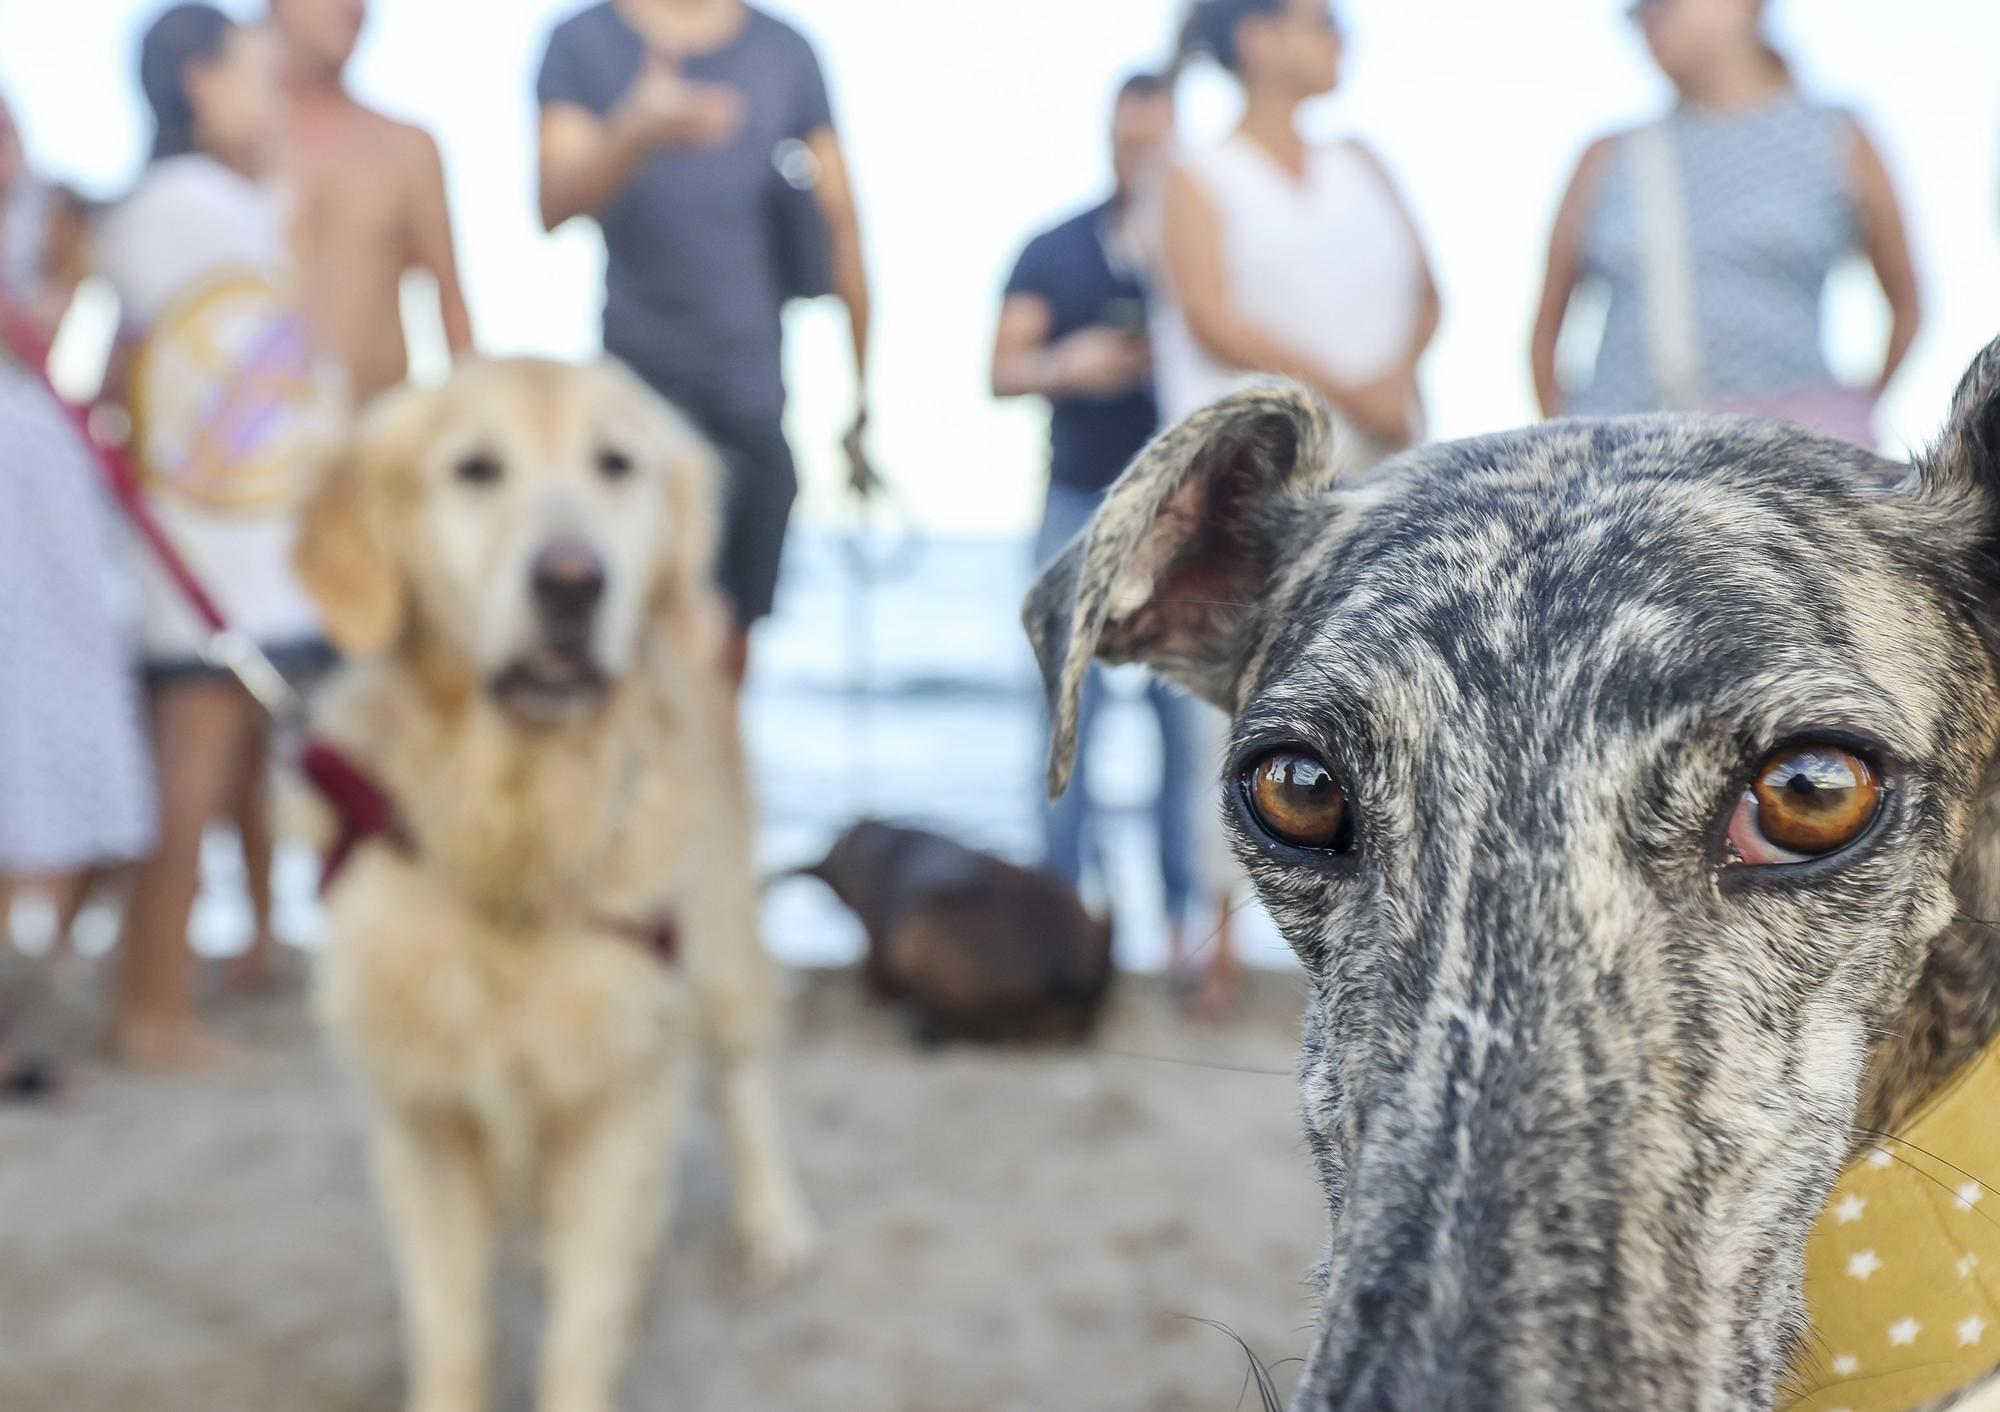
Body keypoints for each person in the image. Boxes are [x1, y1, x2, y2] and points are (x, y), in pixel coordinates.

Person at [1156, 0, 1442, 1012]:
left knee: (1407, 690)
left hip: (1384, 464)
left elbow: (1428, 292)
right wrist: (1340, 386)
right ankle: (1219, 939)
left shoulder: (1361, 160)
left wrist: (1391, 378)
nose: (1337, 38)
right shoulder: (1194, 174)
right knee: (1237, 700)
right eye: (1316, 21)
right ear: (1254, 38)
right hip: (1261, 481)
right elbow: (1208, 310)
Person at [95, 4, 347, 1068]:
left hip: (242, 550)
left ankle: (180, 988)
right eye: (253, 72)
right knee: (190, 782)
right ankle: (153, 1011)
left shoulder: (205, 203)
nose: (272, 91)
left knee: (225, 770)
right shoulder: (180, 206)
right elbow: (232, 364)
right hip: (210, 557)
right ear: (198, 82)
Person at [535, 0, 871, 682]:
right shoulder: (581, 41)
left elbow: (842, 228)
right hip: (635, 403)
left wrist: (861, 400)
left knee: (730, 648)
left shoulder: (787, 51)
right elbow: (553, 202)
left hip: (752, 397)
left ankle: (706, 783)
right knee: (626, 643)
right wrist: (636, 126)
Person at [992, 74, 1207, 1000]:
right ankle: (1055, 931)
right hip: (1079, 507)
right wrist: (1068, 367)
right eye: (1129, 142)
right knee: (1064, 728)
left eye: (1158, 144)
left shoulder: (1203, 254)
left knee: (1188, 738)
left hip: (1192, 524)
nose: (1141, 160)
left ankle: (1186, 934)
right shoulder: (1055, 247)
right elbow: (1001, 369)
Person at [1530, 0, 1921, 441]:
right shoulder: (1610, 155)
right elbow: (1545, 333)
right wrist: (1565, 444)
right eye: (1639, 12)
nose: (1648, 20)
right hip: (1626, 457)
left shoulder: (1837, 136)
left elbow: (1908, 303)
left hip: (1783, 456)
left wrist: (1847, 416)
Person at [0, 91, 156, 1097]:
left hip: (40, 487)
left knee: (72, 751)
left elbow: (55, 337)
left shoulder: (47, 215)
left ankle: (29, 1004)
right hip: (29, 482)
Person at [273, 0, 474, 403]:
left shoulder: (406, 148)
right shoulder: (227, 150)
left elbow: (450, 304)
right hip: (252, 451)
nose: (354, 8)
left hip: (374, 436)